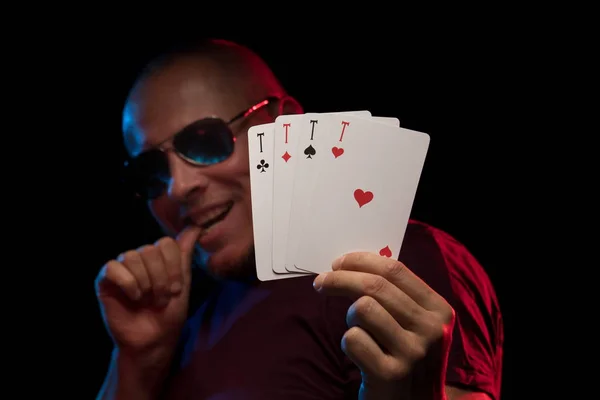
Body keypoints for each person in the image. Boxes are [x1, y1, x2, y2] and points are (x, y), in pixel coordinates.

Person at [95, 39, 503, 400]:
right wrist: (135, 360)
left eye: (204, 142)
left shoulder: (390, 261)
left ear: (282, 124)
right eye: (151, 170)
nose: (177, 187)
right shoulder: (174, 327)